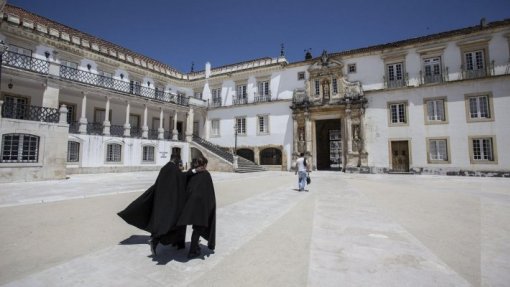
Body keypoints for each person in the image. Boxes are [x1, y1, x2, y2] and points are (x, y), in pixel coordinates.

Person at [117, 154, 199, 256]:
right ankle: (157, 240)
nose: (180, 163)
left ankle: (176, 243)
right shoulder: (174, 169)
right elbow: (182, 177)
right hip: (171, 203)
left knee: (167, 223)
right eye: (179, 161)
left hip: (162, 201)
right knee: (174, 223)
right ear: (176, 160)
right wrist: (194, 171)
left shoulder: (164, 168)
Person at [177, 156, 216, 259]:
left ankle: (190, 248)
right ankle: (192, 251)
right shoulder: (204, 174)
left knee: (196, 227)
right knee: (198, 228)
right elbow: (210, 193)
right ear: (203, 165)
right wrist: (211, 207)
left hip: (189, 205)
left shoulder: (192, 173)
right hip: (200, 206)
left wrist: (194, 170)